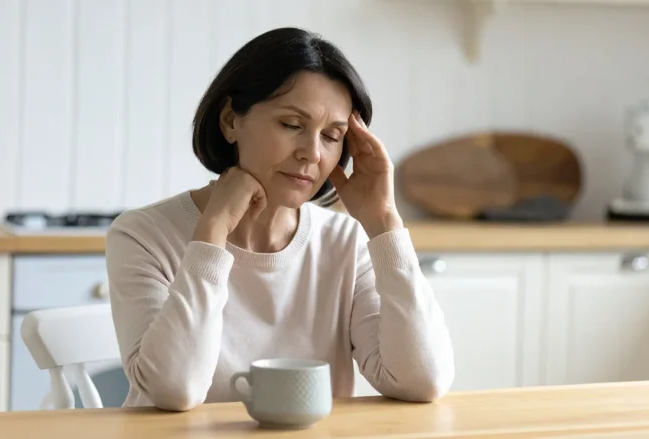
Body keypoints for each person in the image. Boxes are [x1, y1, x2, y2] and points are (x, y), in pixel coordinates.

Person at [105, 26, 455, 412]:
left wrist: (384, 223)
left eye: (332, 136)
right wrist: (212, 233)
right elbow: (175, 391)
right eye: (292, 125)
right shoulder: (142, 235)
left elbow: (423, 380)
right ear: (229, 121)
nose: (311, 153)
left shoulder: (345, 241)